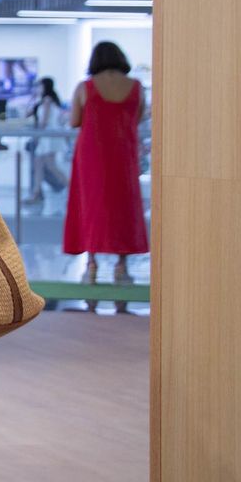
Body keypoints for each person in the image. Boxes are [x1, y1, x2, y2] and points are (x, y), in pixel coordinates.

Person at [62, 41, 148, 294]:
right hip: (124, 152)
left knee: (91, 204)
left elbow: (75, 120)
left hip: (92, 154)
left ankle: (91, 264)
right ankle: (122, 267)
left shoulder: (85, 87)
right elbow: (138, 116)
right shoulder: (136, 87)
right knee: (125, 205)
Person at [24, 76, 67, 204]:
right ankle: (36, 193)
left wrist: (38, 135)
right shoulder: (42, 101)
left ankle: (73, 188)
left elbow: (44, 121)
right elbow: (27, 114)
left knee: (50, 165)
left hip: (48, 137)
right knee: (39, 164)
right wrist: (32, 98)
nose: (37, 88)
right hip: (45, 137)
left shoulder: (48, 100)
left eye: (39, 86)